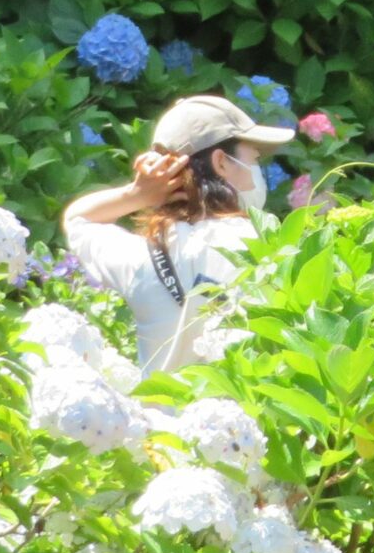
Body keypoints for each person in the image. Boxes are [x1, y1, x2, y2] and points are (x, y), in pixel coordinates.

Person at [61, 94, 293, 372]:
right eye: (254, 158)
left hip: (160, 413)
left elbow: (78, 218)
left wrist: (136, 194)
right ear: (221, 162)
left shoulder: (139, 257)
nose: (257, 170)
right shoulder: (264, 244)